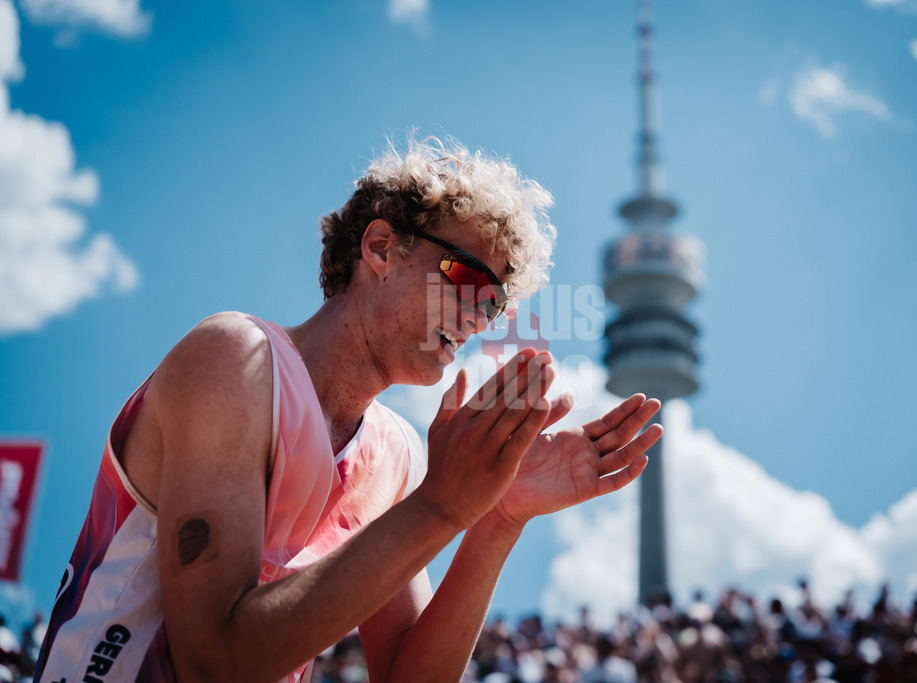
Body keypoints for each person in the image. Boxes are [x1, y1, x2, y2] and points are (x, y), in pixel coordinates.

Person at [34, 135, 662, 683]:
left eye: (495, 305)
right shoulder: (236, 358)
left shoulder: (392, 454)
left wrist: (496, 518)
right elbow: (213, 664)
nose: (479, 318)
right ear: (381, 247)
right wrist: (442, 505)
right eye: (471, 281)